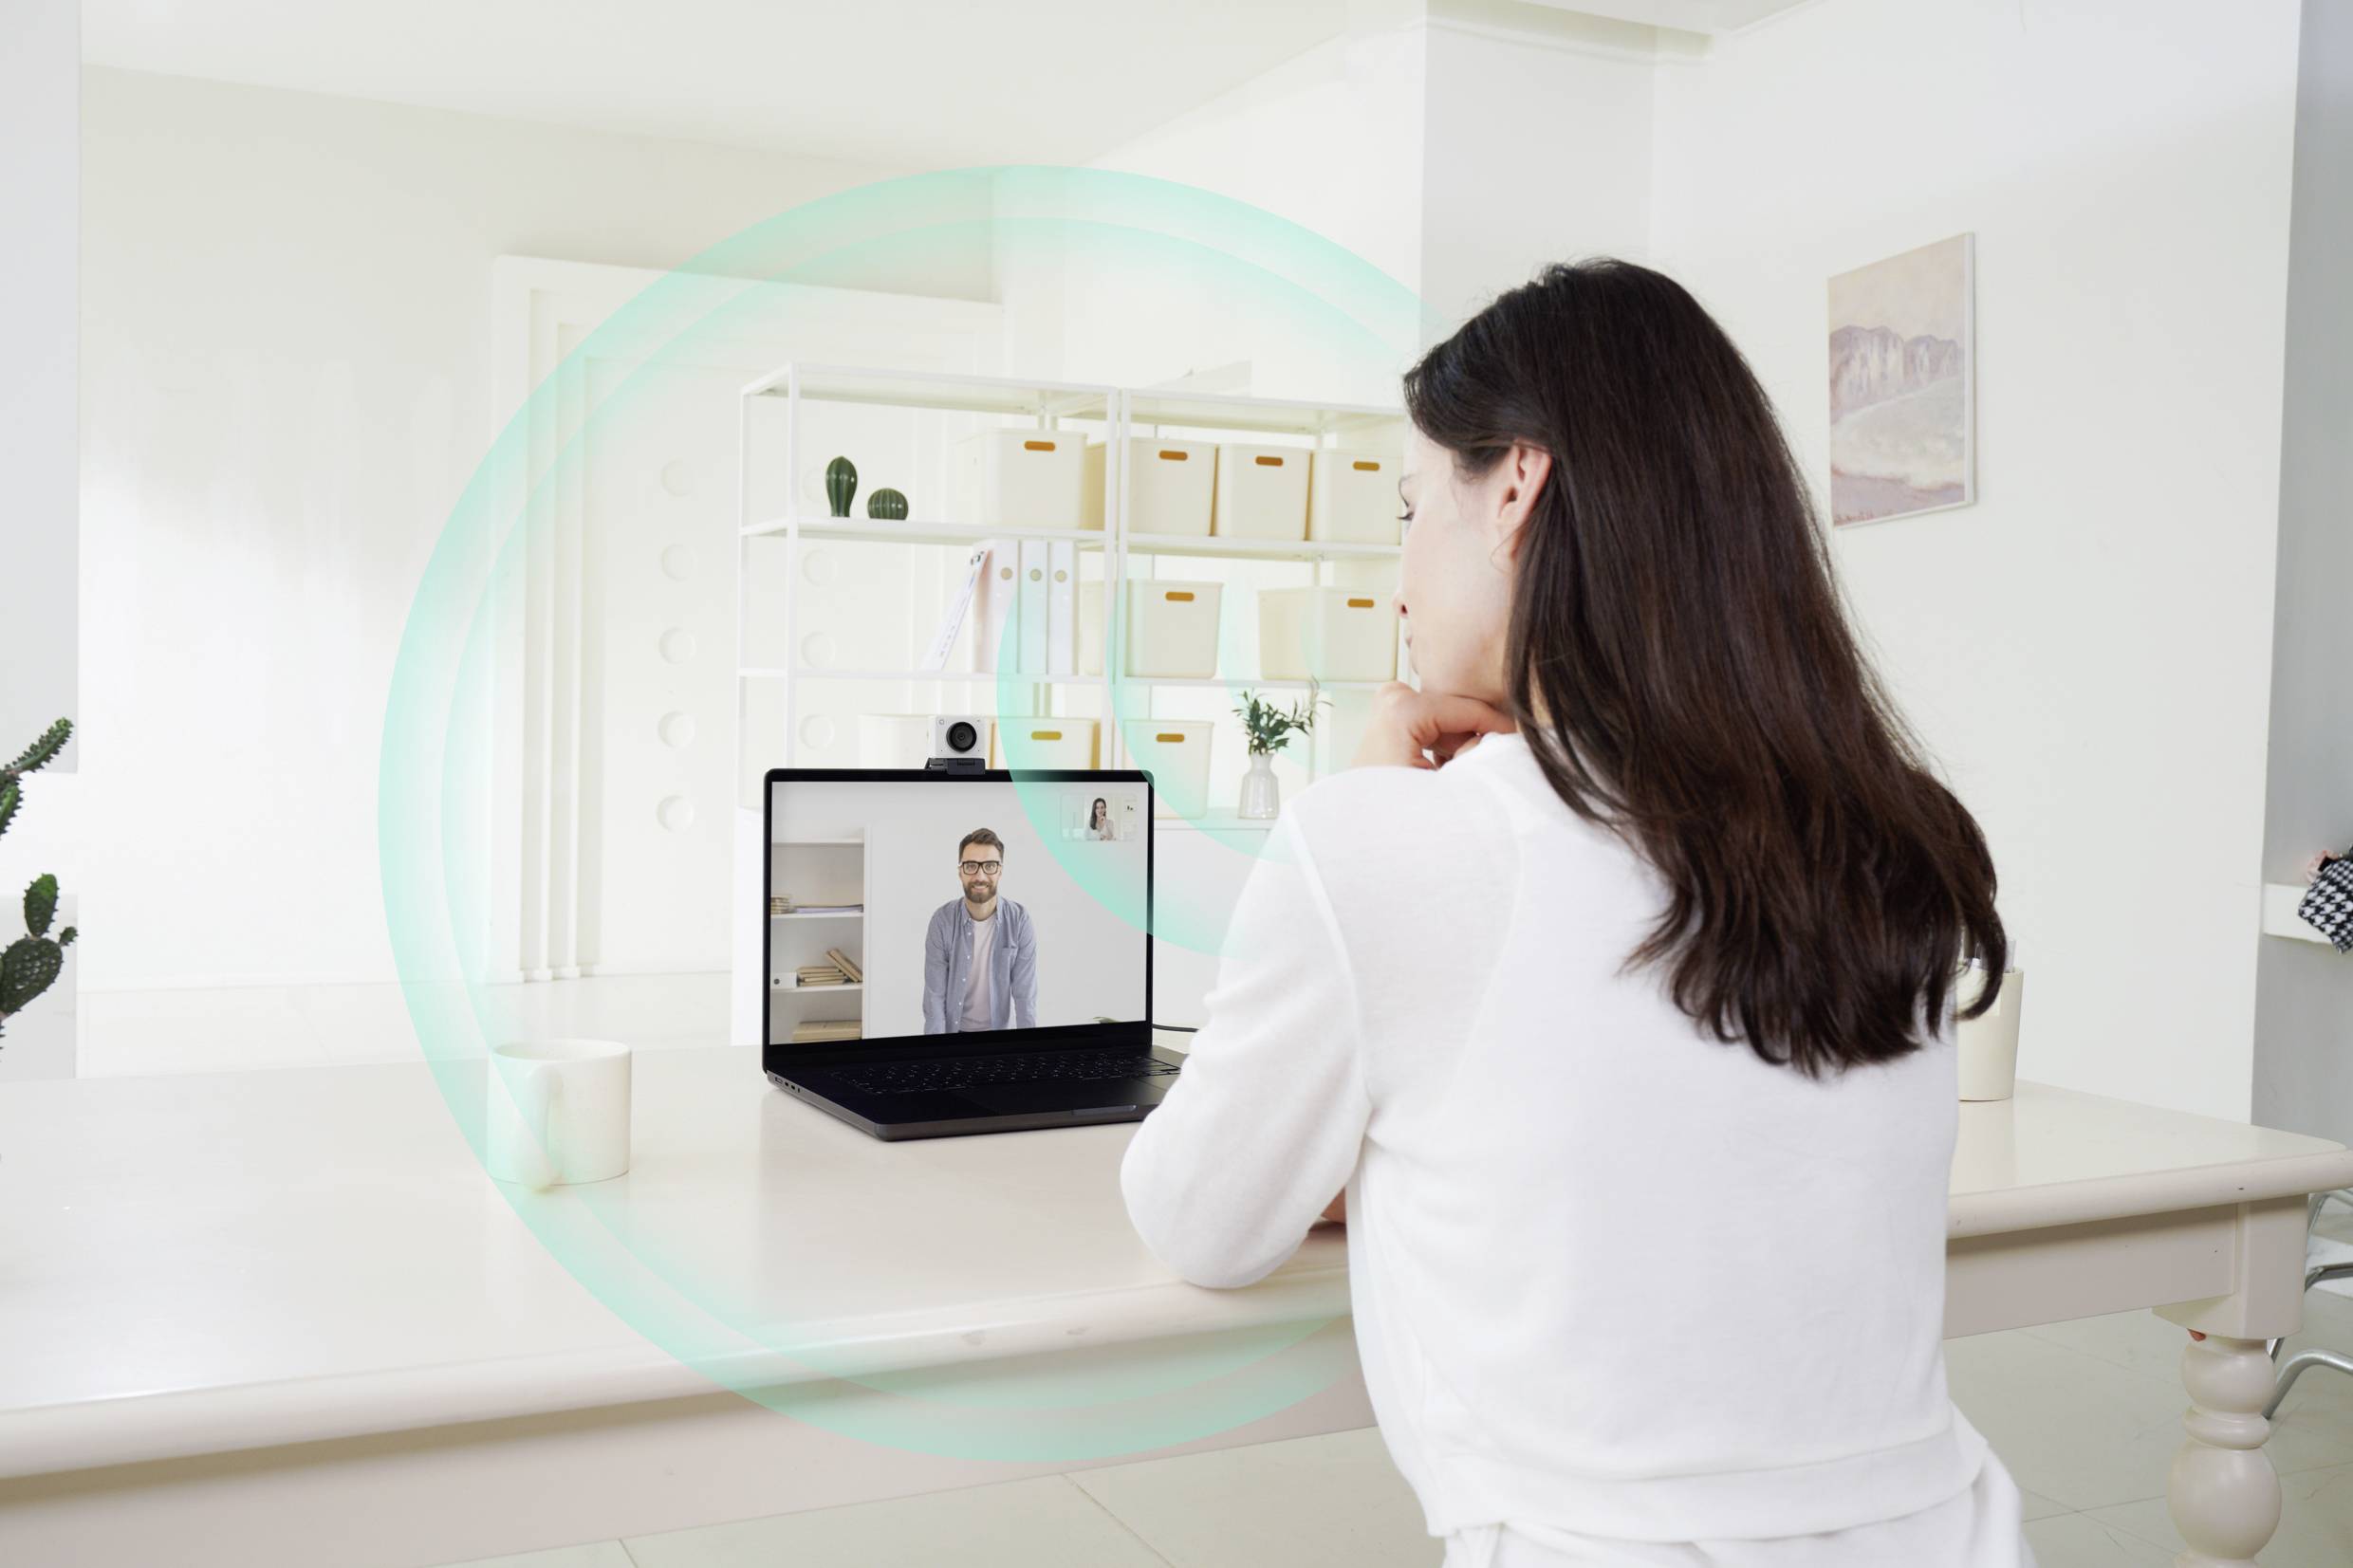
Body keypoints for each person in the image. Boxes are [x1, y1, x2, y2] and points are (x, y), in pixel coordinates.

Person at [1121, 260, 2031, 1567]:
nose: (1397, 576)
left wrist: (1372, 814)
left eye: (1408, 506)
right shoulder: (1890, 834)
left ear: (1515, 490)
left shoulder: (1391, 840)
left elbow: (1197, 1219)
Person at [921, 827, 1038, 1034]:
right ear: (960, 871)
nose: (980, 875)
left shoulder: (1019, 920)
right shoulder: (942, 921)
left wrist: (1028, 1053)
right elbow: (934, 999)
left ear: (1000, 870)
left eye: (990, 866)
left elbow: (1025, 997)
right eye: (971, 866)